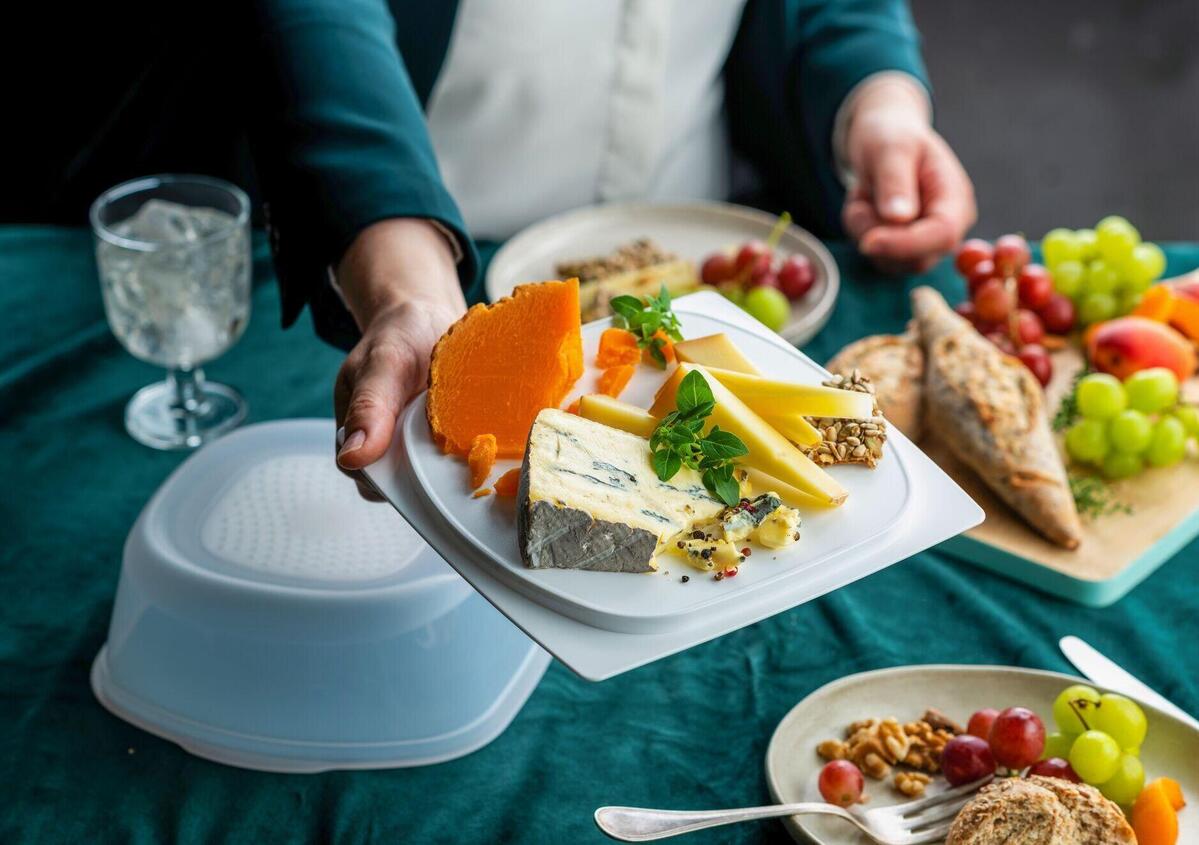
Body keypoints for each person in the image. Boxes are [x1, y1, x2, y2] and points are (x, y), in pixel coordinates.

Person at [17, 1, 975, 494]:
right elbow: (315, 20)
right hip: (425, 247)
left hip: (685, 256)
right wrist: (407, 285)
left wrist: (880, 103)